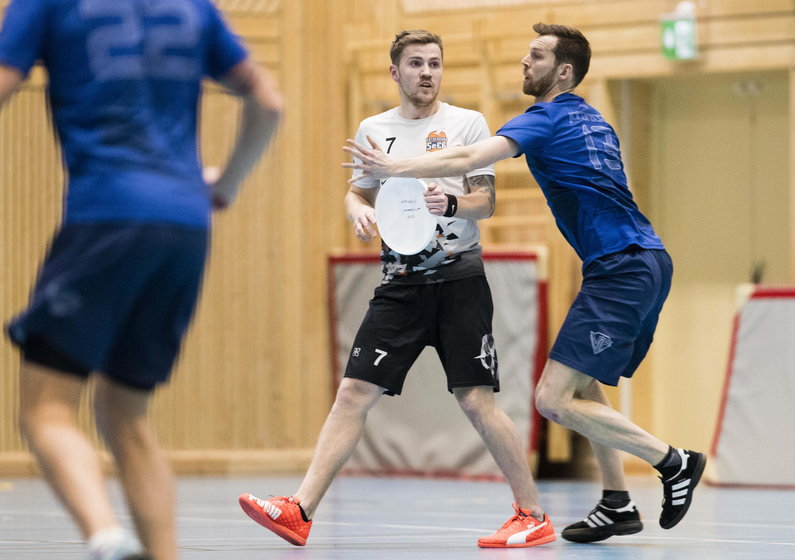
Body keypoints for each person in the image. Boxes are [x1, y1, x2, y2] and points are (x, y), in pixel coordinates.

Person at [344, 23, 706, 544]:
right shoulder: (591, 116)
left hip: (623, 267)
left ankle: (673, 461)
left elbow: (468, 159)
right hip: (634, 262)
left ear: (562, 72)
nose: (523, 61)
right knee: (585, 381)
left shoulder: (547, 115)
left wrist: (394, 166)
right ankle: (616, 502)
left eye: (535, 55)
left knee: (552, 400)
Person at [239, 29, 555, 550]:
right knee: (353, 392)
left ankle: (531, 514)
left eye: (435, 63)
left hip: (459, 282)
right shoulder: (373, 129)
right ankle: (300, 510)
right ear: (395, 72)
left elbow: (486, 203)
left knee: (475, 400)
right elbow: (357, 191)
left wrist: (449, 205)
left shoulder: (467, 124)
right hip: (399, 284)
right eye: (416, 64)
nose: (427, 72)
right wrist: (359, 210)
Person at [0, 1, 284, 558]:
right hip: (185, 226)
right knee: (125, 413)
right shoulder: (190, 6)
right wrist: (226, 184)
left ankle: (107, 538)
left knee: (46, 408)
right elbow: (268, 101)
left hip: (105, 216)